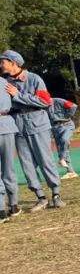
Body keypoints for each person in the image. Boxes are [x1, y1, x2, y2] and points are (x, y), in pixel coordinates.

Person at [0, 50, 64, 210]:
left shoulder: (34, 79)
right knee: (26, 163)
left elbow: (45, 101)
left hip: (38, 124)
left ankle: (56, 194)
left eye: (3, 62)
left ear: (13, 63)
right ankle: (40, 196)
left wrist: (18, 95)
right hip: (18, 126)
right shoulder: (5, 82)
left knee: (45, 160)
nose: (1, 65)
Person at [0, 85, 20, 220]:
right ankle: (13, 205)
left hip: (6, 124)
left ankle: (1, 210)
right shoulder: (5, 82)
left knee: (8, 169)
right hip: (6, 124)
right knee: (9, 169)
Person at [48, 96, 79, 178]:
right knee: (60, 147)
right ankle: (71, 171)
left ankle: (62, 159)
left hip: (66, 124)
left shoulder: (58, 101)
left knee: (65, 140)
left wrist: (68, 116)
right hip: (54, 127)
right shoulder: (41, 105)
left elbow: (73, 106)